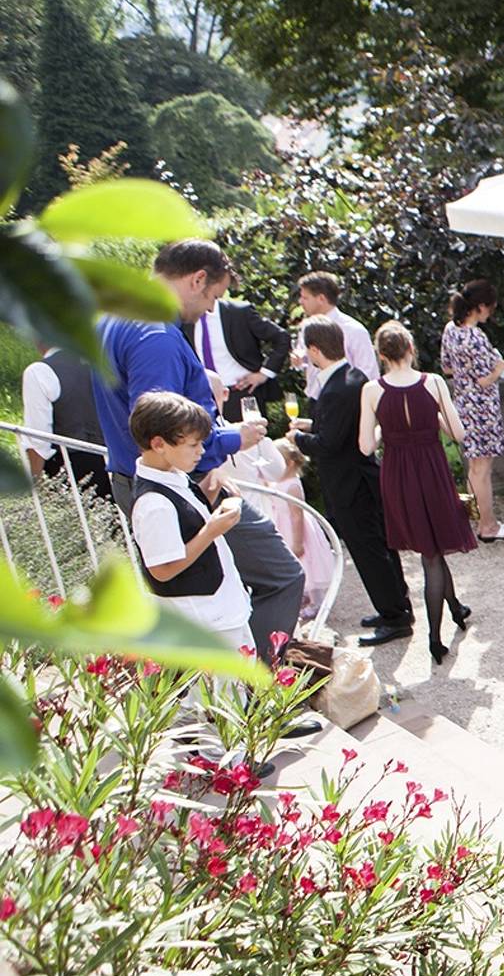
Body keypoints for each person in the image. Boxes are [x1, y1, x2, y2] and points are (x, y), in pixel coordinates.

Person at [93, 240, 304, 665]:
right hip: (178, 486)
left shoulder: (116, 315)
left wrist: (196, 374)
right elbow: (159, 426)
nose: (210, 310)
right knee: (282, 577)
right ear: (197, 279)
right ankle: (256, 689)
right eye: (213, 297)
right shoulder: (156, 335)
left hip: (142, 479)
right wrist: (231, 441)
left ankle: (224, 690)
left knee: (197, 601)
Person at [359, 321, 478, 662]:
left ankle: (455, 609)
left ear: (382, 355)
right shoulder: (434, 382)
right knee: (432, 553)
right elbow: (459, 433)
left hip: (398, 476)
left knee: (431, 549)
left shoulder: (372, 390)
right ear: (411, 348)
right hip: (433, 471)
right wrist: (433, 419)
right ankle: (434, 638)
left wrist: (384, 429)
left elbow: (366, 446)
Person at [299, 316, 412, 646]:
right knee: (380, 546)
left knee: (368, 551)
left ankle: (395, 616)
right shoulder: (354, 376)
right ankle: (397, 605)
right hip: (362, 476)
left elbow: (329, 444)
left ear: (315, 350)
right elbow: (340, 428)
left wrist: (297, 440)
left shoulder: (336, 388)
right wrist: (311, 426)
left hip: (349, 483)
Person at [126, 392, 255, 654]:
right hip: (202, 619)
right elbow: (161, 570)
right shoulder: (154, 503)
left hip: (222, 608)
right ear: (159, 444)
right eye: (193, 445)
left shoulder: (172, 475)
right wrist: (211, 531)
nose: (201, 451)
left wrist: (211, 489)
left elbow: (186, 518)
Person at [439, 279, 504, 542]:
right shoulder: (475, 337)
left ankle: (475, 521)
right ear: (481, 307)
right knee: (483, 470)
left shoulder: (451, 330)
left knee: (474, 469)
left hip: (463, 403)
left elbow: (447, 367)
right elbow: (485, 379)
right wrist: (500, 366)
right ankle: (488, 525)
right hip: (482, 407)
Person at [19, 345, 111, 500]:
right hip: (114, 466)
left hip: (68, 474)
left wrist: (33, 494)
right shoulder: (105, 364)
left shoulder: (39, 372)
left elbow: (38, 443)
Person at [261, 438, 336, 623]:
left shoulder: (292, 485)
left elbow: (296, 516)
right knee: (292, 562)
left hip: (295, 529)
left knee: (306, 562)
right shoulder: (278, 482)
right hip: (282, 526)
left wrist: (298, 542)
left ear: (289, 463)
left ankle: (316, 601)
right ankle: (303, 595)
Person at [194, 292, 291, 424]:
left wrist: (264, 373)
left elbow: (282, 337)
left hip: (241, 394)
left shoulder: (238, 312)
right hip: (202, 398)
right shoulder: (183, 319)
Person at [292, 272, 378, 392]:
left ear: (321, 299)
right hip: (315, 396)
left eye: (305, 298)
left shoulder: (354, 330)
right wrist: (300, 359)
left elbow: (368, 372)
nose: (300, 301)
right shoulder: (306, 326)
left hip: (345, 398)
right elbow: (304, 360)